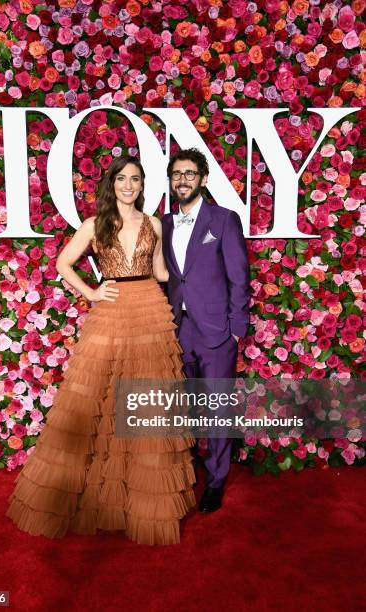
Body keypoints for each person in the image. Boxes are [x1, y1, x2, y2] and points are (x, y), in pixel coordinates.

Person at [6, 156, 196, 546]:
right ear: (112, 183)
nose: (129, 185)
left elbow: (161, 272)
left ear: (143, 185)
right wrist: (92, 291)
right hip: (111, 308)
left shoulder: (154, 224)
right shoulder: (94, 225)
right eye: (123, 179)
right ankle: (102, 497)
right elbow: (62, 262)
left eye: (136, 179)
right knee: (100, 400)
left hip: (149, 309)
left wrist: (201, 274)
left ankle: (143, 501)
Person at [161, 148, 250, 513]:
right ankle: (190, 471)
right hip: (178, 329)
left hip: (216, 332)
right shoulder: (163, 223)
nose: (183, 180)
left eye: (190, 173)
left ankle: (215, 481)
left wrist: (236, 331)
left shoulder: (223, 219)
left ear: (204, 179)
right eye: (177, 174)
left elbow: (239, 278)